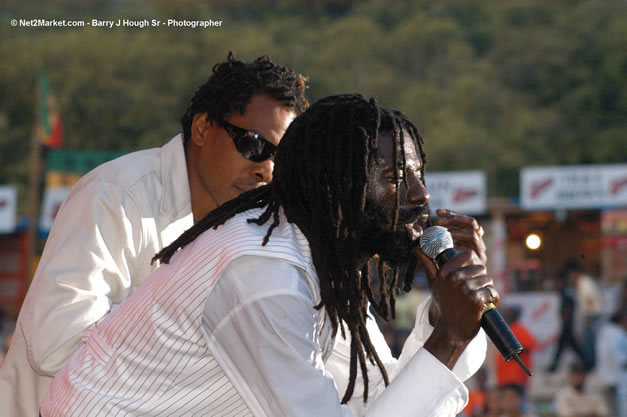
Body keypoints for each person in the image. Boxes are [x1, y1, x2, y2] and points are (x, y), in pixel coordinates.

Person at [40, 94, 494, 416]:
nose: (421, 194)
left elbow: (377, 398)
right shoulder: (265, 274)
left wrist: (444, 316)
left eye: (418, 174)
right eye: (397, 176)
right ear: (339, 187)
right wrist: (448, 338)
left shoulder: (319, 257)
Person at [0, 52, 309, 417]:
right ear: (202, 129)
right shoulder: (116, 195)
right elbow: (54, 345)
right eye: (255, 145)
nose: (266, 171)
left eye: (280, 158)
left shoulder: (258, 226)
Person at [494, 305, 537, 407]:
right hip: (504, 378)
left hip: (516, 378)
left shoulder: (519, 328)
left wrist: (513, 352)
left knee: (516, 408)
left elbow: (530, 345)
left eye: (509, 313)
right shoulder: (506, 329)